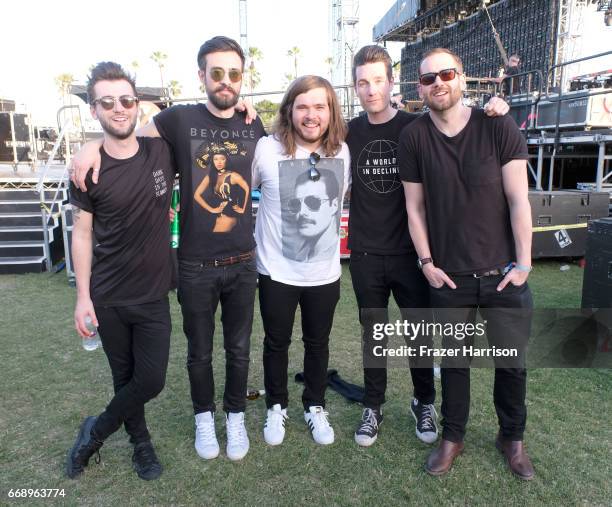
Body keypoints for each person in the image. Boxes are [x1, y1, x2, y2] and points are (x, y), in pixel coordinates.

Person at [70, 36, 266, 462]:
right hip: (195, 265)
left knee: (238, 348)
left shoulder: (254, 124)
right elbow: (121, 138)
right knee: (199, 351)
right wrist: (88, 145)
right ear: (202, 76)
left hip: (243, 260)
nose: (226, 81)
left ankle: (234, 415)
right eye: (216, 72)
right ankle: (203, 418)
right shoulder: (178, 119)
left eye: (234, 73)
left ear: (242, 78)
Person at [347, 44, 510, 448]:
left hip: (413, 254)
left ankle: (424, 401)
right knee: (374, 333)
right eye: (363, 83)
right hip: (365, 252)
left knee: (420, 333)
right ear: (354, 87)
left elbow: (459, 124)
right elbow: (303, 129)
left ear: (392, 82)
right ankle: (373, 405)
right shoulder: (347, 130)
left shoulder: (415, 127)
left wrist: (497, 110)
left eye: (379, 81)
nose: (371, 90)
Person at [399, 48, 534, 480]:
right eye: (427, 78)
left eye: (446, 73)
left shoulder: (498, 125)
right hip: (449, 279)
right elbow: (414, 209)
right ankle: (452, 437)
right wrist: (426, 263)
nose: (437, 82)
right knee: (454, 365)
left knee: (511, 363)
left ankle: (511, 438)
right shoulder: (415, 137)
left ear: (462, 78)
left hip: (503, 276)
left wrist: (524, 263)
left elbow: (519, 200)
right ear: (419, 88)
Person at [66, 62, 175, 481]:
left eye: (126, 100)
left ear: (137, 105)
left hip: (152, 295)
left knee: (150, 379)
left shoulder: (161, 151)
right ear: (94, 109)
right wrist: (82, 298)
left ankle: (94, 433)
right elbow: (81, 234)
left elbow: (207, 118)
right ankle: (141, 443)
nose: (118, 109)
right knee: (124, 377)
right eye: (107, 102)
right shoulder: (87, 170)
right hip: (108, 297)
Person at [252, 75, 350, 446]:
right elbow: (239, 192)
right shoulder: (266, 149)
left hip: (324, 273)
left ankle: (315, 405)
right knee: (276, 342)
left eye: (319, 106)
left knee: (317, 342)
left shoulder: (342, 151)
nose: (311, 115)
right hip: (276, 271)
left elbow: (341, 198)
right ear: (289, 109)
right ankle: (276, 406)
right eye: (303, 106)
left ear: (330, 111)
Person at [285, 168, 340, 262]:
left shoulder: (327, 253)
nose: (302, 212)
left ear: (334, 205)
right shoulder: (302, 252)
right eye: (296, 203)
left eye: (312, 202)